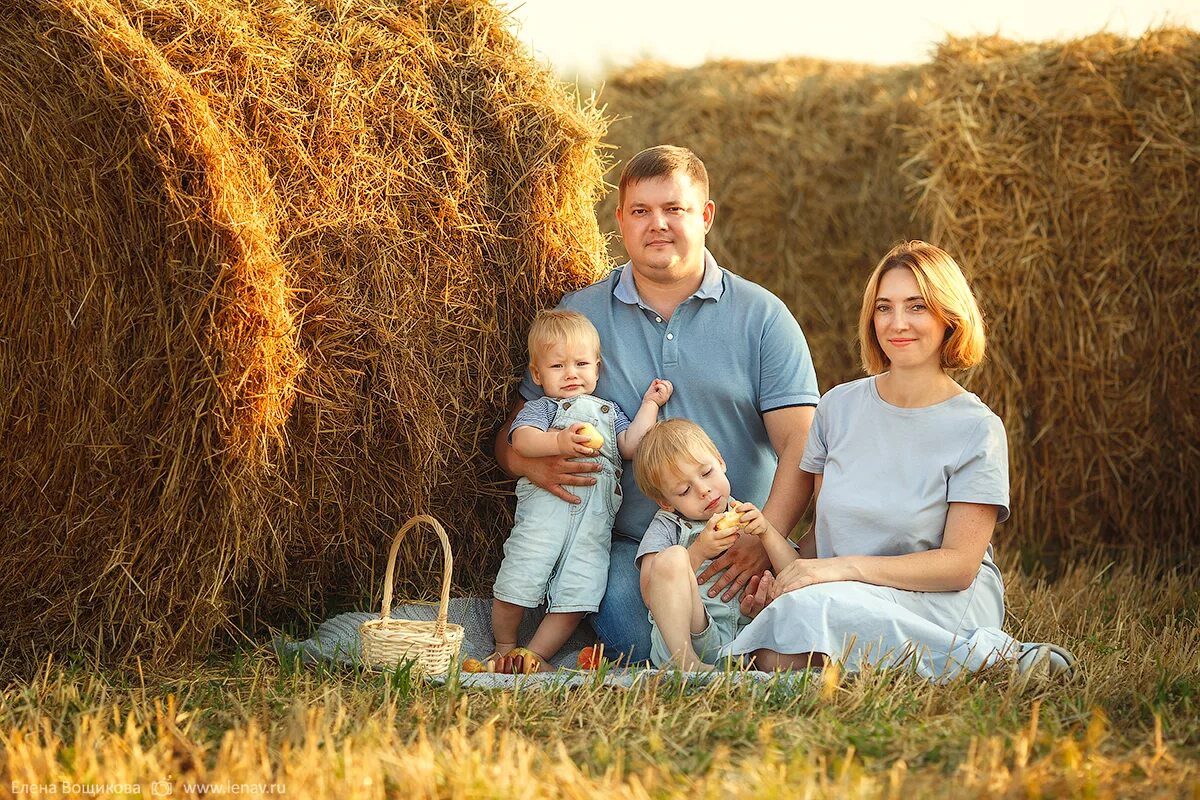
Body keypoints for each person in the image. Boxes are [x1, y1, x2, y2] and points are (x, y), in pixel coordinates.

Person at [494, 145, 820, 663]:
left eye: (675, 209)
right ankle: (714, 651)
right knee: (628, 621)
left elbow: (803, 444)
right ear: (620, 220)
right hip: (631, 545)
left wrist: (764, 539)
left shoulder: (763, 316)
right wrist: (534, 463)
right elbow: (513, 436)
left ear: (706, 216)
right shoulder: (580, 314)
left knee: (781, 616)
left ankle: (738, 641)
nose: (657, 225)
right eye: (641, 212)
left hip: (741, 534)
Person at [719, 240, 1075, 681]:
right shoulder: (837, 408)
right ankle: (971, 663)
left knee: (808, 623)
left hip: (936, 598)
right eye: (884, 308)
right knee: (778, 646)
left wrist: (842, 572)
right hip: (844, 592)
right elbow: (824, 538)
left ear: (949, 318)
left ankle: (989, 658)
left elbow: (959, 566)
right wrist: (785, 579)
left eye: (917, 306)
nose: (898, 323)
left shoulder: (977, 428)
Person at [490, 310, 672, 673]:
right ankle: (504, 645)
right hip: (544, 517)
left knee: (579, 593)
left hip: (593, 529)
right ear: (537, 374)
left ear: (598, 368)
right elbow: (521, 441)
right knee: (519, 576)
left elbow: (631, 445)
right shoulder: (542, 409)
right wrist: (558, 440)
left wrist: (650, 405)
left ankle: (536, 655)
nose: (571, 373)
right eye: (557, 366)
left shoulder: (609, 411)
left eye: (581, 364)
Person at [633, 419, 777, 671]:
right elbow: (649, 591)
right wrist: (699, 551)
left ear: (720, 462)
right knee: (673, 557)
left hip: (745, 641)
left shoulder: (746, 515)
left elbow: (794, 570)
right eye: (684, 490)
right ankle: (686, 665)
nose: (703, 490)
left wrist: (767, 534)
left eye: (707, 473)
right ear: (666, 503)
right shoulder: (668, 525)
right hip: (692, 634)